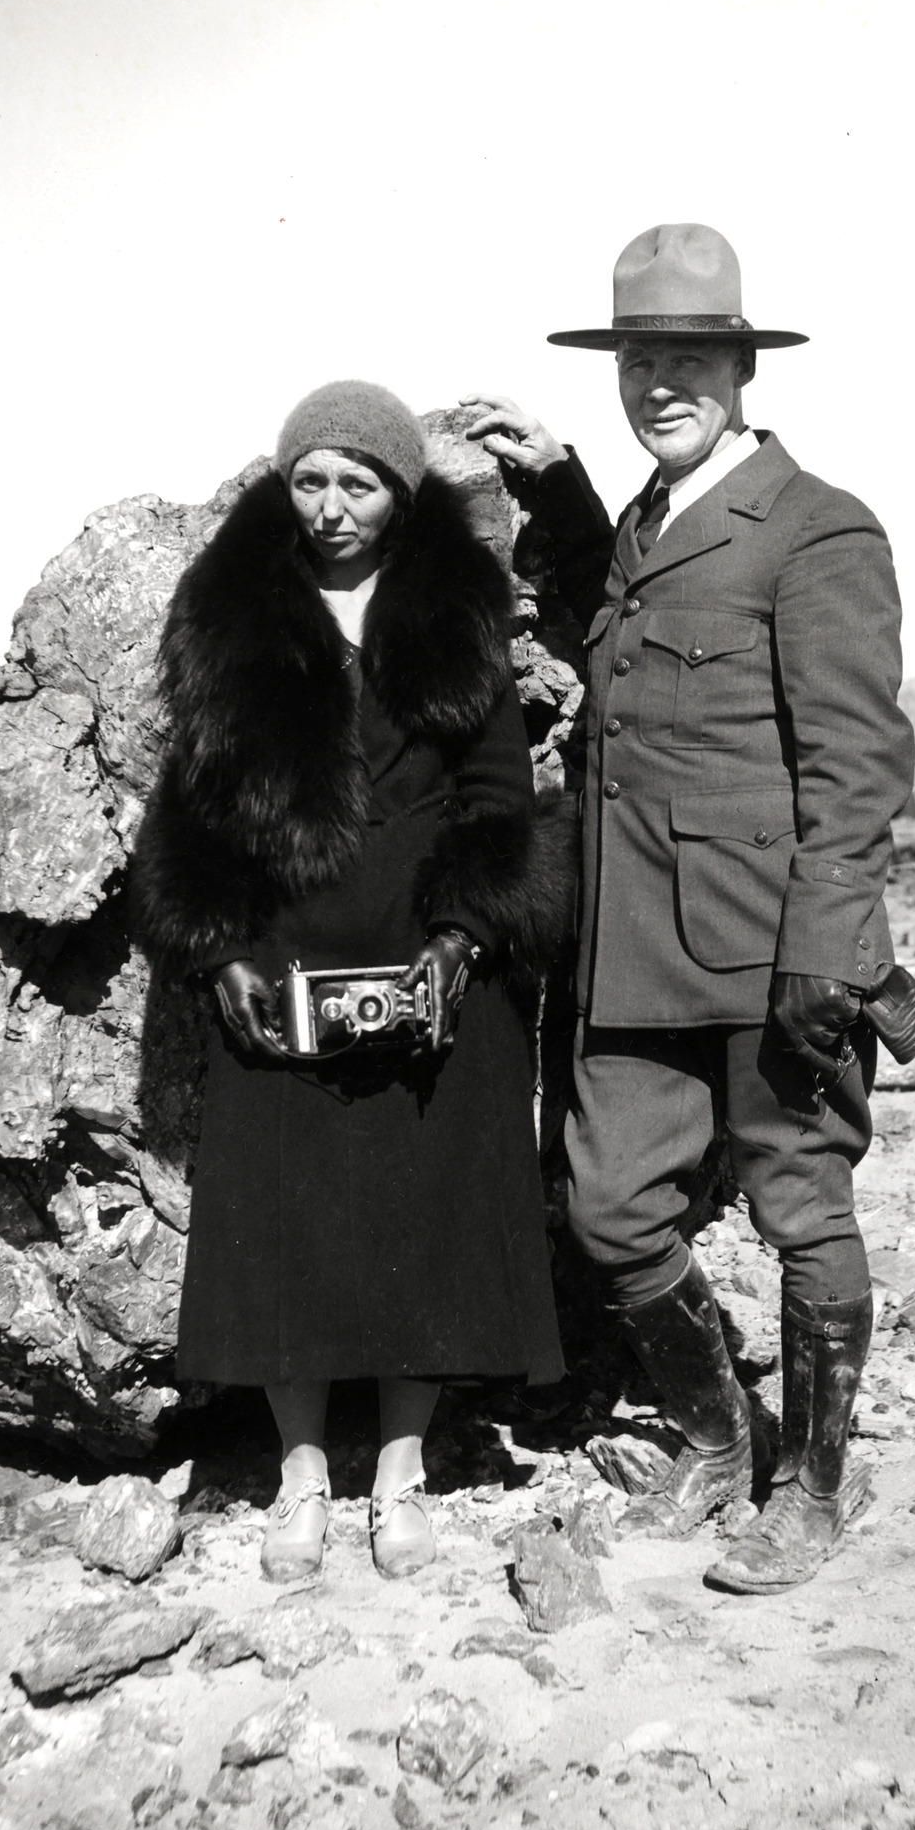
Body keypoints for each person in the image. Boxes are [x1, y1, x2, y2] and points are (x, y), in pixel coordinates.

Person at [464, 222, 915, 1592]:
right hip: (630, 950)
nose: (661, 383)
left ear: (737, 365)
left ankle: (814, 1490)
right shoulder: (636, 537)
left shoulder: (817, 527)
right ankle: (720, 1440)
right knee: (607, 1205)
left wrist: (827, 947)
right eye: (640, 359)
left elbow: (858, 762)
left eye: (688, 359)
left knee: (802, 1204)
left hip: (770, 947)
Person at [134, 380, 567, 1585]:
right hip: (281, 956)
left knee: (421, 1209)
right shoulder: (228, 614)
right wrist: (219, 950)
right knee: (283, 1215)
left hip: (434, 957)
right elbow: (191, 806)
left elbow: (499, 799)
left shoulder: (451, 609)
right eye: (310, 480)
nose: (331, 508)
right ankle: (301, 1475)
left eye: (358, 482)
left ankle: (399, 1473)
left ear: (399, 492)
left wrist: (459, 939)